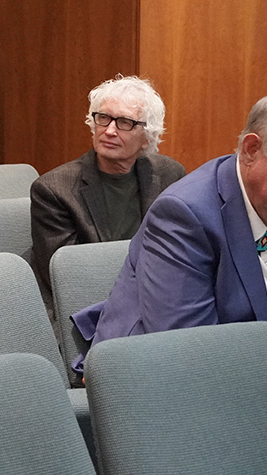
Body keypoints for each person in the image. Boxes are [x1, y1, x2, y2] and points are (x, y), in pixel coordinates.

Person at [72, 95, 267, 369]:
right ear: (252, 149)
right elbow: (190, 351)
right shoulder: (185, 215)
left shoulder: (266, 200)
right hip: (160, 380)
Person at [30, 76, 185, 315]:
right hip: (93, 307)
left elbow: (180, 250)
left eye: (124, 122)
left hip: (158, 298)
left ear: (147, 137)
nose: (110, 131)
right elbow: (65, 279)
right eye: (103, 118)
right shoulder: (53, 189)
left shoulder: (169, 174)